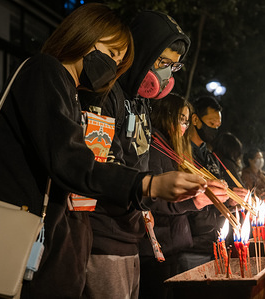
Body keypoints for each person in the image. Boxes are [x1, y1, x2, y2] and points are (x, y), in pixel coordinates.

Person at [0, 4, 206, 299]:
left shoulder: (72, 91)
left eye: (120, 58)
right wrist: (147, 183)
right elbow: (71, 161)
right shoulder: (44, 70)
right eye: (112, 52)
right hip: (24, 243)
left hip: (59, 245)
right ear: (83, 34)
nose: (114, 65)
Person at [78, 11, 208, 299]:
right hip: (102, 239)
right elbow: (96, 170)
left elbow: (142, 172)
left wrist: (194, 196)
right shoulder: (104, 95)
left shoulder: (141, 104)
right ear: (141, 52)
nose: (165, 74)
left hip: (132, 237)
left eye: (173, 67)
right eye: (162, 62)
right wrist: (153, 184)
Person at [138, 94, 229, 299]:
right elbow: (152, 198)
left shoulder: (174, 150)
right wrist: (193, 200)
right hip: (157, 246)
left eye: (187, 121)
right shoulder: (154, 146)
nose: (185, 126)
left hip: (175, 243)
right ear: (166, 115)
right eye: (182, 119)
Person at [178, 96, 247, 272]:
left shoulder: (210, 157)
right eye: (211, 123)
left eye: (218, 125)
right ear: (195, 120)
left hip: (213, 242)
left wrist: (230, 202)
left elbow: (218, 201)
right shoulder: (181, 154)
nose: (215, 129)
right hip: (192, 244)